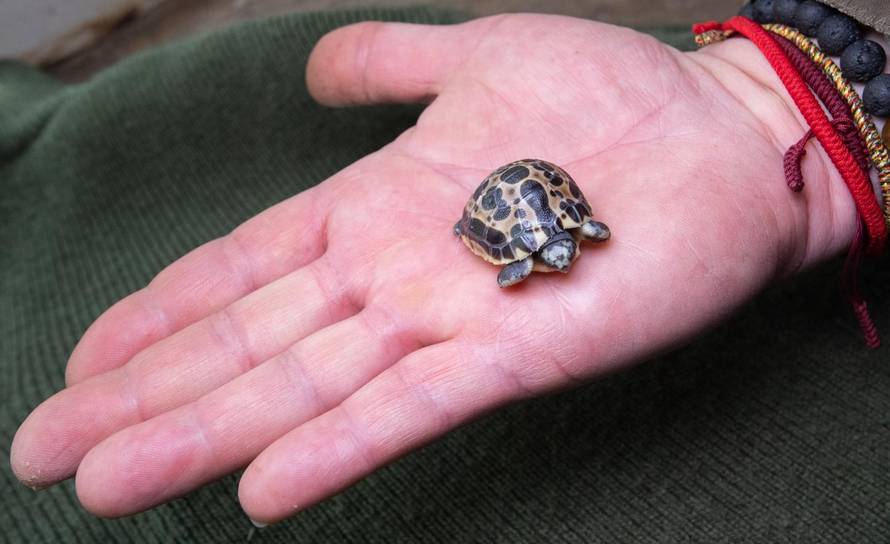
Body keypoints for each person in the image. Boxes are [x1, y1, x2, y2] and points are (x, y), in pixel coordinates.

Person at [9, 0, 887, 527]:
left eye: (554, 248)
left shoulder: (575, 229)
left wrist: (767, 107)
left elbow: (571, 224)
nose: (558, 256)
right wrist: (773, 86)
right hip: (530, 194)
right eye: (547, 251)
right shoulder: (511, 244)